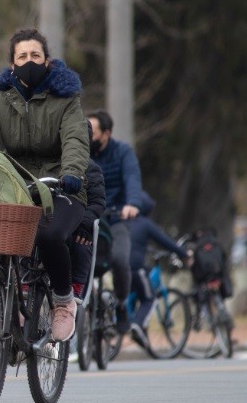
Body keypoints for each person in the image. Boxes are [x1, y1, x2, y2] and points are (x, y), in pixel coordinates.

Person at [0, 28, 88, 342]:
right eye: (23, 56)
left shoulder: (66, 98)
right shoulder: (0, 98)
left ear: (46, 60)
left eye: (35, 55)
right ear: (12, 64)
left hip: (59, 186)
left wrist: (72, 173)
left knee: (50, 234)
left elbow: (75, 141)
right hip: (14, 185)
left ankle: (63, 300)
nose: (30, 61)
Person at [88, 108, 144, 334]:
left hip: (117, 216)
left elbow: (132, 178)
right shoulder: (81, 152)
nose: (87, 136)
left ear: (106, 134)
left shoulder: (123, 152)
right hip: (90, 215)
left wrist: (132, 203)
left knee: (120, 260)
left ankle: (121, 304)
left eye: (92, 132)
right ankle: (83, 305)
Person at [127, 191, 190, 346]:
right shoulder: (145, 224)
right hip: (134, 268)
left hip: (117, 267)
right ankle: (137, 324)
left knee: (132, 291)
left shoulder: (124, 221)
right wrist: (184, 253)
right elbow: (165, 241)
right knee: (149, 298)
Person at [69, 121, 107, 302]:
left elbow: (97, 202)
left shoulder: (91, 168)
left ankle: (76, 288)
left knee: (81, 245)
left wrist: (83, 224)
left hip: (77, 226)